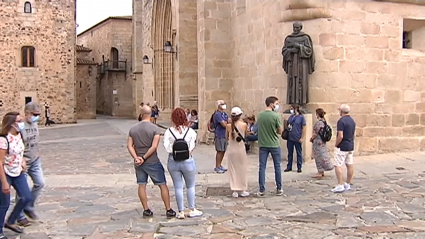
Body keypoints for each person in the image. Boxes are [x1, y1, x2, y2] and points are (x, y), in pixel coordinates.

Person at [127, 105, 176, 218]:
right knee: (162, 185)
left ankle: (146, 209)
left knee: (141, 185)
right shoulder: (155, 129)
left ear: (141, 114)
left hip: (139, 162)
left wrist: (136, 158)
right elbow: (154, 147)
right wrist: (144, 158)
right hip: (152, 161)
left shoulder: (133, 129)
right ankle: (168, 209)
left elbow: (129, 146)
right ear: (150, 114)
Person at [163, 108, 203, 219]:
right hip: (187, 160)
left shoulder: (168, 132)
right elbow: (192, 146)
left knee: (178, 187)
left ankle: (181, 212)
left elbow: (167, 147)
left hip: (173, 160)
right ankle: (192, 209)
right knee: (190, 186)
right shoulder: (190, 132)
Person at [0, 112, 33, 236]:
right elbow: (0, 161)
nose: (21, 123)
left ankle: (10, 221)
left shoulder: (19, 135)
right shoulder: (3, 140)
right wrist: (4, 182)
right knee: (4, 204)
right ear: (12, 124)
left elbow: (19, 151)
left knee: (26, 197)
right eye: (19, 121)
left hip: (18, 171)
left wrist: (22, 160)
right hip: (6, 173)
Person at [16, 102, 45, 227]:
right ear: (27, 113)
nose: (37, 117)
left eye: (38, 115)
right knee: (22, 190)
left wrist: (37, 152)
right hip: (23, 162)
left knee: (40, 183)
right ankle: (20, 216)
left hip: (35, 159)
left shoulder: (35, 123)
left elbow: (35, 140)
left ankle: (28, 207)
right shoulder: (20, 126)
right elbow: (16, 143)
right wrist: (20, 159)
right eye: (35, 114)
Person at [256, 96, 283, 197]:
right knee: (277, 166)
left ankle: (262, 189)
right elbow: (280, 131)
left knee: (262, 167)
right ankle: (279, 188)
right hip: (274, 144)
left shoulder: (260, 115)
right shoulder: (276, 116)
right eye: (276, 103)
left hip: (263, 144)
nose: (277, 106)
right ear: (271, 104)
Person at [332, 104, 356, 193]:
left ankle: (340, 184)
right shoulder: (352, 121)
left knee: (338, 165)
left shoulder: (341, 121)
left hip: (342, 146)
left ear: (341, 111)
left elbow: (340, 135)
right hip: (350, 145)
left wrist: (336, 144)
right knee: (349, 164)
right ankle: (348, 183)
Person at [226, 107, 249, 198]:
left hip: (232, 149)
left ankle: (234, 190)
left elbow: (227, 137)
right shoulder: (244, 125)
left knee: (232, 170)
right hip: (240, 149)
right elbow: (246, 135)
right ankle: (242, 189)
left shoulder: (228, 126)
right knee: (242, 169)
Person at [310, 108, 333, 179]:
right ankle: (322, 170)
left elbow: (315, 133)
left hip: (318, 141)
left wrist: (311, 139)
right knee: (322, 154)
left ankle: (320, 171)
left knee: (318, 156)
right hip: (322, 142)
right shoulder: (324, 121)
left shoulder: (318, 123)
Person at [284, 104, 306, 173]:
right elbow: (287, 125)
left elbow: (304, 128)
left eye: (291, 108)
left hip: (297, 137)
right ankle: (289, 166)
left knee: (298, 152)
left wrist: (302, 137)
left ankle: (299, 167)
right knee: (290, 153)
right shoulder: (291, 117)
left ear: (295, 109)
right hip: (290, 137)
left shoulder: (301, 117)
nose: (291, 110)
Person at [213, 100, 229, 173]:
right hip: (219, 135)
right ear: (218, 105)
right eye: (222, 104)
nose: (224, 105)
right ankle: (217, 166)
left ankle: (220, 165)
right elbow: (224, 124)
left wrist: (227, 122)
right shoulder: (217, 114)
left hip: (225, 134)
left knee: (223, 150)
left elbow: (229, 121)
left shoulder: (224, 114)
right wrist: (226, 122)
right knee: (219, 151)